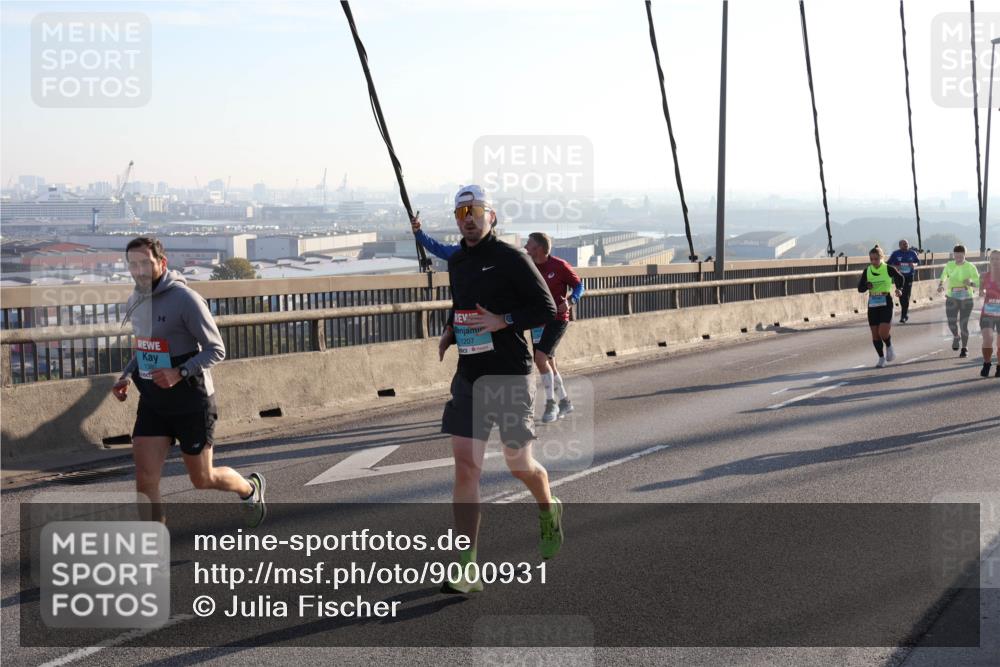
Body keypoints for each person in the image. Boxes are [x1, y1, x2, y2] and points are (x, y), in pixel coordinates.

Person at [436, 185, 561, 594]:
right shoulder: (456, 261)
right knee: (466, 466)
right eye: (461, 212)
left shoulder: (513, 258)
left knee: (518, 465)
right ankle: (467, 567)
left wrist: (504, 320)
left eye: (475, 210)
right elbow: (463, 306)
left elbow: (547, 308)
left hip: (509, 374)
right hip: (470, 374)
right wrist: (451, 330)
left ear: (492, 216)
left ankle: (548, 507)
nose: (468, 217)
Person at [112, 236, 266, 527]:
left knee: (203, 479)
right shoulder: (135, 300)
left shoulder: (186, 299)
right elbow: (146, 348)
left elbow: (216, 349)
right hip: (154, 403)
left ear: (162, 263)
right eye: (133, 264)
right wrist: (127, 375)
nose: (139, 269)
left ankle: (249, 489)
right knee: (145, 482)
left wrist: (179, 372)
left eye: (146, 262)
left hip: (191, 402)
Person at [523, 232, 585, 422]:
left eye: (529, 244)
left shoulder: (559, 266)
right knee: (549, 363)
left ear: (539, 249)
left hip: (558, 319)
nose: (525, 247)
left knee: (540, 358)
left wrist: (571, 300)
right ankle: (565, 401)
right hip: (537, 322)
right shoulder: (529, 266)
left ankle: (551, 404)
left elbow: (579, 285)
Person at [858, 245, 905, 368]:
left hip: (886, 302)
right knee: (875, 334)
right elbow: (860, 288)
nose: (874, 262)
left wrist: (899, 289)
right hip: (873, 303)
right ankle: (881, 358)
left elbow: (900, 278)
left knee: (883, 332)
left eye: (876, 259)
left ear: (881, 258)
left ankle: (889, 346)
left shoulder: (888, 268)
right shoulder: (867, 271)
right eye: (871, 259)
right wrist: (866, 286)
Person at [937, 244, 980, 358]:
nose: (958, 258)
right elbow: (943, 276)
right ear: (954, 255)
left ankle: (964, 348)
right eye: (956, 256)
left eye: (961, 256)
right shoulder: (950, 265)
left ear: (964, 255)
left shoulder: (970, 266)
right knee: (951, 322)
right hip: (952, 297)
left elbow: (979, 282)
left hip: (966, 298)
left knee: (963, 324)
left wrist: (970, 283)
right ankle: (956, 336)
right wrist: (941, 285)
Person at [978, 249, 1000, 378]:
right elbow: (981, 291)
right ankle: (987, 363)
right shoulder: (984, 276)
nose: (995, 261)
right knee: (988, 339)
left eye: (998, 259)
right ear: (989, 261)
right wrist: (982, 292)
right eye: (993, 259)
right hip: (988, 313)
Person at [887, 239, 920, 323]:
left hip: (909, 276)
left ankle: (904, 315)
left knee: (906, 296)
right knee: (901, 295)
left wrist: (914, 265)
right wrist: (895, 266)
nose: (906, 245)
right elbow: (888, 264)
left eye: (907, 244)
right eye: (903, 244)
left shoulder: (912, 253)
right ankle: (904, 313)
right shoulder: (895, 254)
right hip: (898, 277)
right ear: (899, 246)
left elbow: (917, 262)